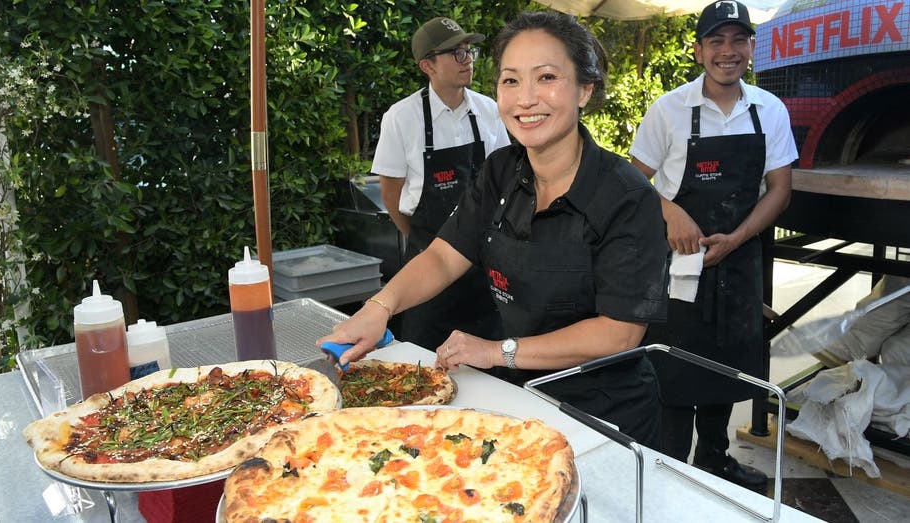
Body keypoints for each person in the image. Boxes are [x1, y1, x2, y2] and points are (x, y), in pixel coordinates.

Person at [319, 10, 670, 449]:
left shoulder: (626, 195)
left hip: (605, 417)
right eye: (510, 80)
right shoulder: (500, 172)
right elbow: (446, 254)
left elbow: (619, 331)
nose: (525, 99)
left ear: (585, 89)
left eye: (545, 78)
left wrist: (496, 350)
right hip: (519, 401)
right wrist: (379, 307)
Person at [629, 0, 799, 491]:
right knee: (676, 369)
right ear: (700, 49)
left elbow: (780, 190)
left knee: (727, 367)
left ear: (750, 46)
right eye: (717, 41)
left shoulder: (770, 110)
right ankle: (668, 471)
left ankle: (715, 460)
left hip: (739, 262)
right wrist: (671, 211)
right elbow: (633, 182)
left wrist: (740, 237)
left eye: (738, 40)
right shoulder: (670, 110)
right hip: (681, 268)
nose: (728, 51)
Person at [371, 16, 511, 351]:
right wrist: (422, 238)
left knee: (489, 363)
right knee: (421, 365)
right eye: (456, 54)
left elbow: (505, 181)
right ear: (427, 66)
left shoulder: (489, 110)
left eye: (468, 51)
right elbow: (391, 194)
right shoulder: (401, 118)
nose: (468, 60)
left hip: (485, 268)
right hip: (426, 269)